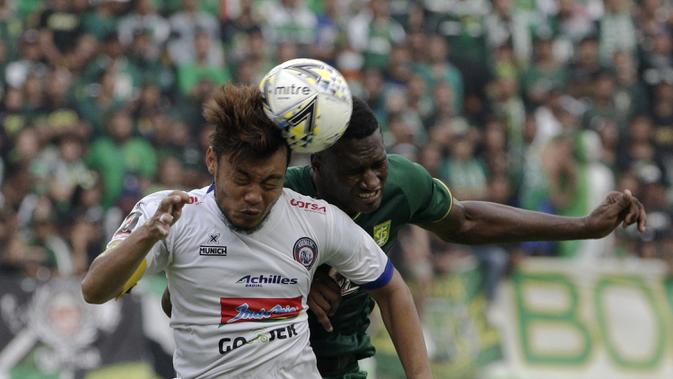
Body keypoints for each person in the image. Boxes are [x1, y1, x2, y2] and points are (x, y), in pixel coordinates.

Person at [162, 96, 647, 378]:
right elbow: (182, 295)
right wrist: (284, 285)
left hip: (346, 360)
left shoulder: (400, 183)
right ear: (318, 166)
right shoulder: (277, 197)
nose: (373, 181)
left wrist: (583, 227)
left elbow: (468, 221)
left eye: (379, 163)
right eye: (357, 171)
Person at [81, 86, 432, 379]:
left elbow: (392, 288)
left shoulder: (315, 218)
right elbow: (95, 290)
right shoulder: (172, 214)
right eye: (242, 179)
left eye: (270, 182)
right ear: (212, 161)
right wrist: (147, 236)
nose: (254, 196)